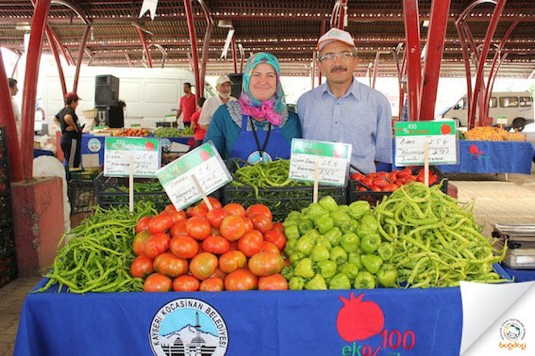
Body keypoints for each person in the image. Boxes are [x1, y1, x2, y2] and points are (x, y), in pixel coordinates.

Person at [297, 28, 392, 174]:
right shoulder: (305, 103)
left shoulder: (378, 102)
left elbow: (381, 155)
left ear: (355, 61)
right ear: (320, 65)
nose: (338, 62)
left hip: (361, 186)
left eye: (345, 55)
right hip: (317, 186)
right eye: (329, 56)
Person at [203, 52, 301, 164]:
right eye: (256, 74)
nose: (263, 81)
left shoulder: (292, 121)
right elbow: (207, 161)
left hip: (282, 182)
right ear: (246, 78)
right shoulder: (225, 115)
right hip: (238, 182)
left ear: (277, 81)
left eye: (270, 75)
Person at [55, 92, 83, 178]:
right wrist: (73, 126)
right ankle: (70, 181)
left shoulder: (62, 110)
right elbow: (67, 117)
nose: (77, 104)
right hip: (71, 139)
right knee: (71, 162)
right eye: (76, 102)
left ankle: (69, 179)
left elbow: (55, 118)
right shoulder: (70, 111)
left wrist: (62, 126)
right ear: (73, 101)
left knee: (68, 160)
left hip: (65, 138)